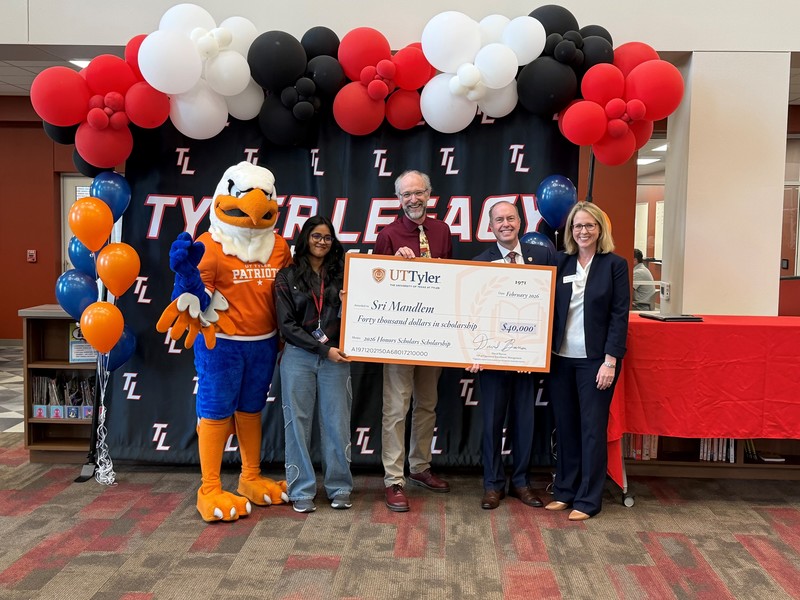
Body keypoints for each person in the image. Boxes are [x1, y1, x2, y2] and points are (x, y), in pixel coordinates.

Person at [374, 169, 453, 512]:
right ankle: (393, 479)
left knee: (427, 404)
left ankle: (420, 466)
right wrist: (393, 266)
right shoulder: (388, 235)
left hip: (433, 334)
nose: (413, 199)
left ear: (429, 195)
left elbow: (452, 280)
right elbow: (374, 287)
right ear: (398, 199)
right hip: (398, 336)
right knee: (396, 408)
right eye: (406, 194)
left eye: (418, 192)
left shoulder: (442, 230)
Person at [468, 201, 557, 510]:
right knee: (492, 424)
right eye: (499, 220)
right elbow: (473, 313)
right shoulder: (479, 263)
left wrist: (536, 349)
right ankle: (492, 484)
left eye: (510, 218)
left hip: (527, 361)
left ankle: (521, 482)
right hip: (492, 361)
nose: (505, 224)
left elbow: (552, 306)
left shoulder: (542, 256)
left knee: (525, 423)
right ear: (490, 226)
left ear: (520, 222)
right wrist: (473, 350)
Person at [546, 201, 630, 521]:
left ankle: (588, 499)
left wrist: (610, 361)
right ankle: (565, 491)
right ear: (571, 230)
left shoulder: (614, 265)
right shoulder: (561, 262)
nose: (583, 231)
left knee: (592, 430)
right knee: (566, 427)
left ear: (600, 229)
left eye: (589, 225)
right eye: (578, 226)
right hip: (561, 359)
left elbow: (619, 315)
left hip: (596, 361)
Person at [275, 216, 353, 513]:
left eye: (327, 237)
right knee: (297, 424)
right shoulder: (287, 276)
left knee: (337, 423)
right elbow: (286, 325)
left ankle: (340, 487)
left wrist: (347, 305)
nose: (322, 242)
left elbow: (357, 316)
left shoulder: (343, 276)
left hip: (336, 357)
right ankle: (301, 490)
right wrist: (323, 349)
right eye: (316, 236)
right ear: (306, 238)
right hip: (298, 356)